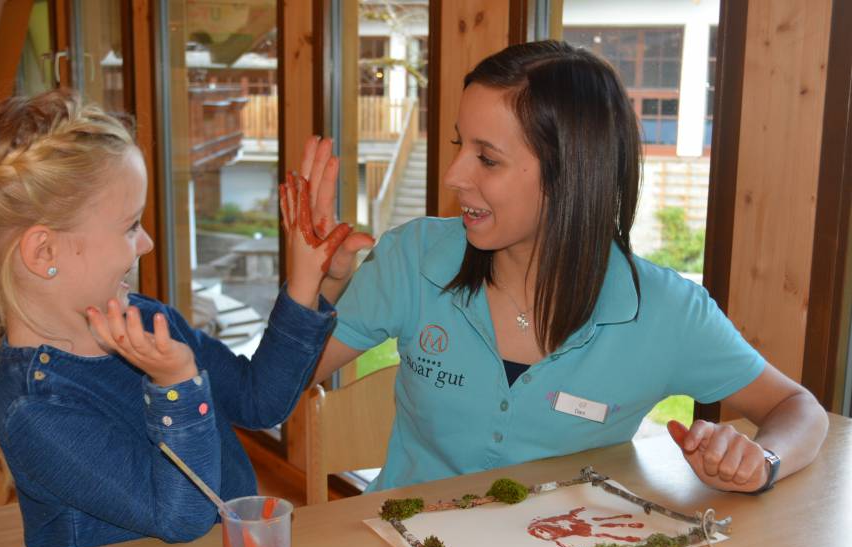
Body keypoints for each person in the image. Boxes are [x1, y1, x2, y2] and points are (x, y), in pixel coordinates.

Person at [287, 40, 828, 493]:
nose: (454, 176)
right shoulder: (415, 258)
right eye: (459, 145)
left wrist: (763, 461)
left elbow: (798, 407)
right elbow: (283, 385)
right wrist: (319, 284)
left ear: (571, 174)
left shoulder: (664, 311)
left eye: (487, 158)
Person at [0, 90, 355, 547]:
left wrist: (307, 284)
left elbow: (258, 399)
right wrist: (175, 384)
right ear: (44, 252)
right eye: (130, 225)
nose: (148, 243)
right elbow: (181, 516)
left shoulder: (148, 319)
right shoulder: (35, 408)